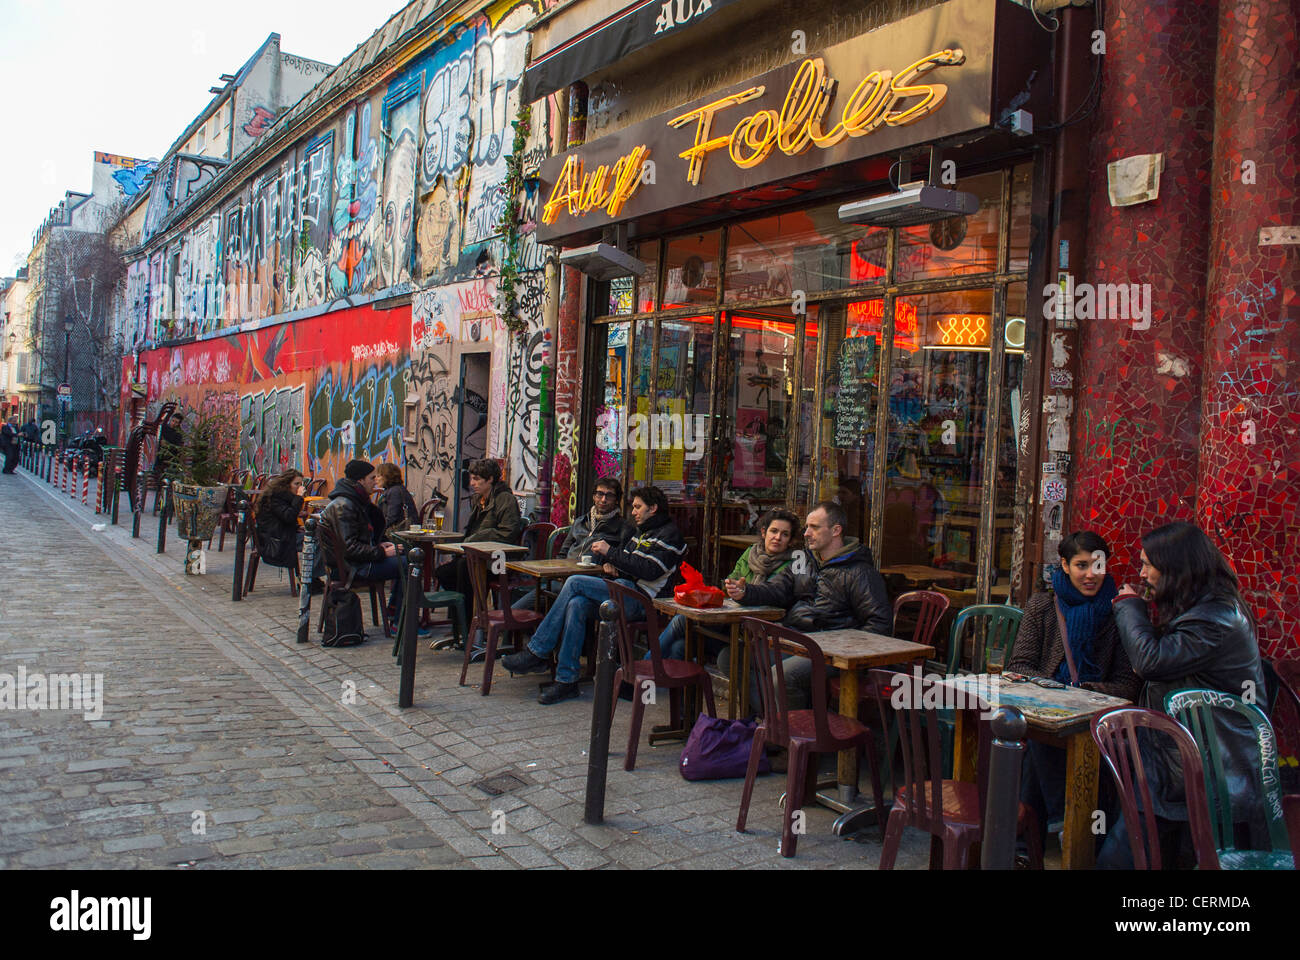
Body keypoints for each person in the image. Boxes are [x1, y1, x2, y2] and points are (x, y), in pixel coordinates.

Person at [1097, 521, 1266, 869]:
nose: (1141, 573)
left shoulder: (1215, 618)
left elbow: (1150, 661)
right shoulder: (1204, 608)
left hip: (1208, 768)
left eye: (1147, 564)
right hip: (1176, 763)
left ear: (1175, 568)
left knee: (1127, 854)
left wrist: (1130, 606)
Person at [1007, 530, 1140, 854]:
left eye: (1098, 565)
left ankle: (1032, 836)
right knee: (1040, 737)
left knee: (1040, 745)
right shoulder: (1042, 606)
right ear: (1064, 565)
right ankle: (1063, 826)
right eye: (1082, 565)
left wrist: (1083, 693)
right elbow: (1020, 666)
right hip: (1048, 708)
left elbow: (1128, 683)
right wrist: (1060, 693)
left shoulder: (1118, 612)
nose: (1091, 574)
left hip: (1097, 717)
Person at [502, 485, 686, 705]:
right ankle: (566, 681)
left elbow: (649, 570)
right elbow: (629, 563)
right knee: (576, 604)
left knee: (574, 582)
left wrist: (611, 554)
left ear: (653, 508)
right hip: (623, 589)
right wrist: (613, 562)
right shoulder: (641, 531)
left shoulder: (670, 535)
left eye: (638, 507)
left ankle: (537, 650)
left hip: (642, 601)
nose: (634, 512)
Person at [730, 500, 891, 709]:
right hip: (797, 639)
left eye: (814, 527)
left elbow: (880, 624)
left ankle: (799, 735)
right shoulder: (804, 560)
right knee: (734, 657)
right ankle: (772, 724)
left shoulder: (860, 572)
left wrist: (842, 649)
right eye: (806, 527)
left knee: (782, 676)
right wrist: (745, 592)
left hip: (831, 653)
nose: (806, 533)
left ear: (836, 531)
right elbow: (777, 589)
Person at [656, 508, 803, 662]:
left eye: (784, 534)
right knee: (680, 646)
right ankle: (661, 679)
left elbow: (776, 593)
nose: (777, 537)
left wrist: (746, 592)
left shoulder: (794, 563)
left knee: (681, 622)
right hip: (730, 624)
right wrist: (732, 587)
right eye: (774, 531)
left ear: (791, 540)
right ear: (764, 532)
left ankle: (648, 669)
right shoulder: (751, 552)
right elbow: (732, 580)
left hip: (757, 633)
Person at [512, 475, 634, 612]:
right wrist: (558, 571)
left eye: (609, 496)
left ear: (617, 500)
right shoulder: (581, 522)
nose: (603, 500)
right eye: (600, 494)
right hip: (563, 578)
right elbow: (563, 553)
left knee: (551, 602)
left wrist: (610, 563)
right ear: (594, 496)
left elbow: (624, 561)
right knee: (518, 607)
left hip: (589, 581)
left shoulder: (623, 529)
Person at [318, 459, 403, 634]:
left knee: (404, 558)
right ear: (360, 481)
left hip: (354, 562)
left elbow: (355, 539)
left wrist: (379, 544)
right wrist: (382, 552)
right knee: (408, 565)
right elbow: (350, 548)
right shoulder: (345, 505)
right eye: (372, 478)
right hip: (354, 567)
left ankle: (395, 611)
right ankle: (402, 623)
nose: (375, 481)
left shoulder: (351, 500)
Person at [434, 458, 523, 604]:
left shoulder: (505, 499)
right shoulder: (479, 499)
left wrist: (476, 539)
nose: (472, 483)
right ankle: (462, 616)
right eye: (471, 479)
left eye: (477, 479)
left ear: (490, 479)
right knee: (443, 572)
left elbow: (508, 534)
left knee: (463, 569)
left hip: (499, 560)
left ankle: (467, 621)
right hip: (477, 556)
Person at [255, 469, 325, 591]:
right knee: (319, 539)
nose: (299, 487)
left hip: (282, 535)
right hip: (277, 541)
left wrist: (298, 527)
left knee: (321, 533)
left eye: (300, 484)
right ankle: (310, 579)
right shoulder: (275, 498)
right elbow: (289, 516)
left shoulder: (281, 496)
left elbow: (283, 520)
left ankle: (311, 577)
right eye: (296, 484)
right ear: (286, 484)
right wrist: (298, 498)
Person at [374, 462, 419, 536]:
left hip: (399, 533)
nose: (376, 479)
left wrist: (375, 529)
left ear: (387, 477)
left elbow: (391, 517)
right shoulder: (395, 489)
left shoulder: (394, 492)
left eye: (378, 476)